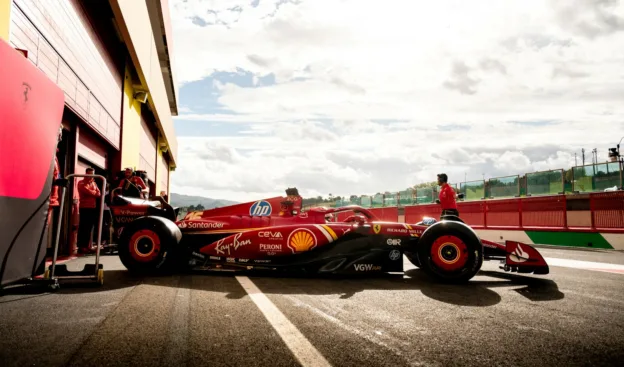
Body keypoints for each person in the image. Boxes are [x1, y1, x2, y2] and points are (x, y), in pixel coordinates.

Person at [77, 167, 101, 254]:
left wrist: (94, 193)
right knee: (83, 227)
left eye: (93, 174)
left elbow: (99, 193)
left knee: (90, 227)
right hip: (84, 207)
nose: (91, 176)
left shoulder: (94, 183)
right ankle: (81, 246)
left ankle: (87, 246)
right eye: (90, 174)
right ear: (86, 174)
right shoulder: (81, 182)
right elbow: (88, 192)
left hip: (92, 207)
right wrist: (94, 193)